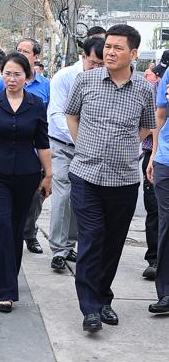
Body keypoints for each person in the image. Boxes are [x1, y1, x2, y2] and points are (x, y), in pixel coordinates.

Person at [66, 24, 155, 332]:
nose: (111, 52)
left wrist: (123, 148)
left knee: (114, 242)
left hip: (124, 179)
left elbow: (145, 128)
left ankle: (103, 297)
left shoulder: (145, 88)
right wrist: (86, 146)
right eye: (108, 46)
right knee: (91, 238)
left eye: (118, 48)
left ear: (133, 54)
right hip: (86, 175)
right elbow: (71, 115)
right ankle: (90, 308)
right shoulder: (86, 80)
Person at [0, 53, 53, 312]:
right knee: (1, 224)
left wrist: (48, 174)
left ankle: (9, 277)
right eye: (7, 74)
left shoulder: (36, 104)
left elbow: (42, 142)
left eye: (17, 74)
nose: (11, 79)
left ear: (27, 77)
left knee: (16, 229)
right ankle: (4, 290)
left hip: (27, 174)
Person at [45, 36, 104, 271]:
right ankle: (58, 249)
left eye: (102, 65)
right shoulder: (65, 77)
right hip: (62, 144)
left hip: (91, 148)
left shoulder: (106, 79)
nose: (98, 68)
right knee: (62, 192)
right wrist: (80, 139)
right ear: (83, 57)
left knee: (80, 196)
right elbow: (57, 116)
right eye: (94, 63)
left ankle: (70, 245)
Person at [7, 38, 51, 254]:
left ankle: (29, 234)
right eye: (19, 50)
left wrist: (48, 170)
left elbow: (46, 123)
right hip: (5, 155)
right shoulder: (2, 83)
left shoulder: (45, 86)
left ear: (36, 57)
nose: (22, 54)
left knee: (34, 200)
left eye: (26, 51)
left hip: (33, 154)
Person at [141, 51, 169, 280]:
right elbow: (158, 116)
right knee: (159, 213)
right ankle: (156, 261)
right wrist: (153, 153)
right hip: (160, 155)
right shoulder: (160, 77)